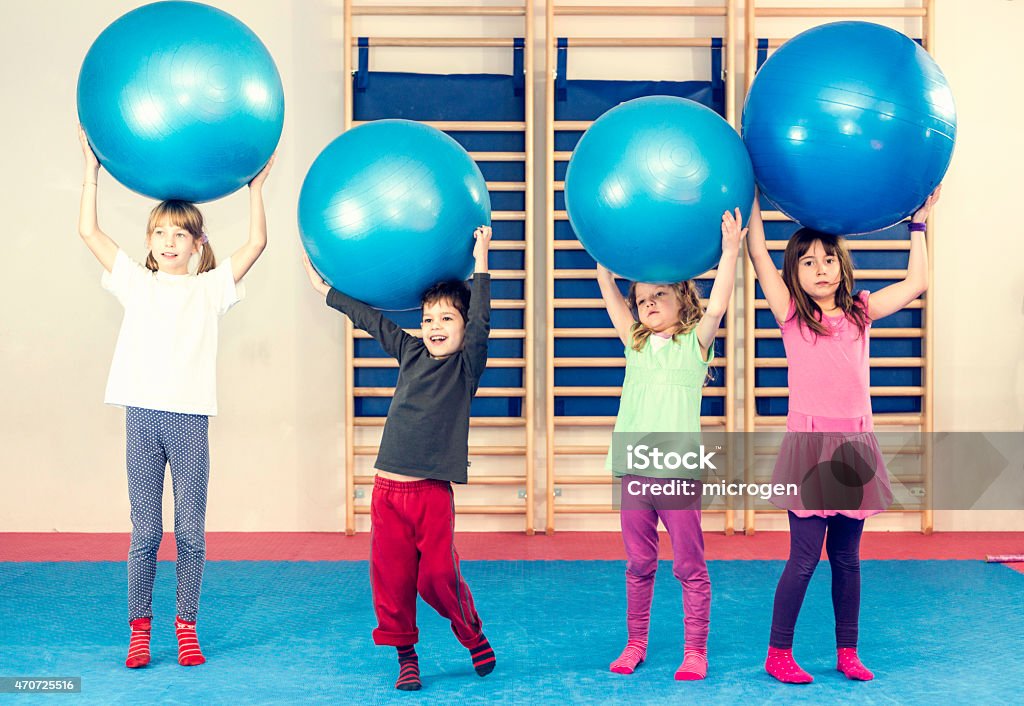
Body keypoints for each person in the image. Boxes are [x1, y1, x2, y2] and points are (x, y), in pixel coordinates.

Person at [77, 126, 273, 668]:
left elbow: (257, 244)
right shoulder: (135, 282)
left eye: (180, 234)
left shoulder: (210, 290)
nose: (168, 241)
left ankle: (186, 625)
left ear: (197, 244)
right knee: (145, 532)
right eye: (160, 232)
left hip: (189, 422)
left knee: (190, 531)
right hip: (141, 417)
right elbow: (88, 230)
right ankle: (139, 628)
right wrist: (91, 173)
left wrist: (255, 188)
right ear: (149, 241)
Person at [746, 188, 941, 683]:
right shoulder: (791, 314)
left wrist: (918, 224)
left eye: (829, 258)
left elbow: (918, 281)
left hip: (854, 450)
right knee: (805, 557)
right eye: (809, 262)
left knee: (848, 559)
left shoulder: (860, 312)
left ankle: (847, 651)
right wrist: (749, 194)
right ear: (796, 273)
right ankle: (778, 653)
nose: (821, 269)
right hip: (810, 451)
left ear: (842, 264)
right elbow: (759, 254)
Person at [301, 225, 495, 691]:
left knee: (435, 576)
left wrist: (482, 258)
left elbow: (484, 317)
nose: (434, 327)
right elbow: (373, 321)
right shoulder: (410, 352)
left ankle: (469, 630)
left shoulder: (466, 367)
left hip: (431, 494)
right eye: (428, 319)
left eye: (446, 319)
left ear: (464, 329)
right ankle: (406, 656)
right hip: (388, 491)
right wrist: (327, 291)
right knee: (390, 580)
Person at [600, 209, 747, 681]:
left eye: (659, 294)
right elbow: (610, 297)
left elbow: (720, 302)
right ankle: (635, 643)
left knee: (689, 564)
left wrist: (728, 253)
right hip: (636, 472)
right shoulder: (635, 344)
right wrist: (605, 257)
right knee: (639, 563)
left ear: (683, 298)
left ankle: (694, 650)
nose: (648, 303)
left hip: (679, 475)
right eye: (642, 298)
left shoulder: (694, 345)